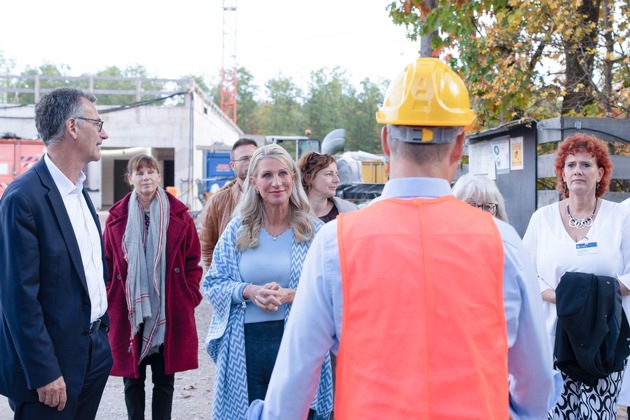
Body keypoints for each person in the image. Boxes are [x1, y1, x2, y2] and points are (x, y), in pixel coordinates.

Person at [247, 58, 557, 419]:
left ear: (385, 142)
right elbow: (535, 382)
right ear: (459, 145)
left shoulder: (336, 244)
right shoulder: (502, 242)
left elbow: (292, 385)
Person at [0, 87, 113, 419]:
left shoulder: (79, 191)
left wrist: (102, 335)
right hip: (51, 372)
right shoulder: (24, 199)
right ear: (73, 127)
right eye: (98, 122)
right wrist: (44, 372)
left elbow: (90, 271)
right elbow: (19, 300)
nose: (104, 133)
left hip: (92, 353)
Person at [203, 144, 333, 420]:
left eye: (283, 173)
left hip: (298, 343)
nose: (276, 182)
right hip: (246, 347)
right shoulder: (236, 231)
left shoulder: (314, 232)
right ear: (254, 182)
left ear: (293, 178)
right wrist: (248, 291)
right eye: (267, 175)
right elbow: (213, 283)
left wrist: (291, 296)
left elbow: (332, 292)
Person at [522, 133, 630, 418]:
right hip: (552, 338)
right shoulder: (541, 219)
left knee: (597, 414)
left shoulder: (619, 217)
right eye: (570, 165)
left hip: (603, 338)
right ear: (562, 174)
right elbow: (525, 273)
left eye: (586, 164)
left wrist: (589, 299)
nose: (578, 171)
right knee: (557, 413)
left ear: (601, 173)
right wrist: (562, 298)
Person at [103, 154, 203, 420]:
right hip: (129, 310)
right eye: (139, 172)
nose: (146, 177)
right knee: (132, 382)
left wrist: (188, 293)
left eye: (151, 171)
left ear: (159, 176)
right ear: (130, 179)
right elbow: (106, 264)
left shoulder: (180, 215)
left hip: (167, 311)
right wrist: (111, 294)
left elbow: (193, 260)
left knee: (164, 381)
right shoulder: (116, 218)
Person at [200, 138, 258, 270]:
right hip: (232, 282)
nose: (251, 163)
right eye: (244, 159)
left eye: (254, 157)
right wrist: (218, 278)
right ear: (233, 166)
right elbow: (207, 246)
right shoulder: (218, 202)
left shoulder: (272, 198)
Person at [297, 151, 358, 222]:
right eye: (329, 174)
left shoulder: (350, 211)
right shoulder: (289, 213)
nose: (337, 180)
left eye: (336, 174)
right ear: (308, 178)